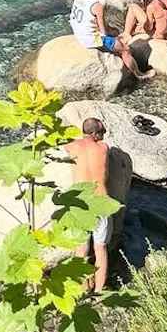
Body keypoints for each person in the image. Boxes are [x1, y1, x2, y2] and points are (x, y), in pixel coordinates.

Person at [70, 0, 152, 79]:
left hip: (77, 30)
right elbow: (103, 31)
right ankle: (140, 75)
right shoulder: (97, 5)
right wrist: (115, 39)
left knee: (116, 36)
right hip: (90, 39)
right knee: (125, 49)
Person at [66, 117, 112, 292]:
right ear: (94, 134)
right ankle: (99, 291)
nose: (103, 136)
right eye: (102, 132)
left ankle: (82, 288)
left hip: (80, 203)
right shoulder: (103, 148)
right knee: (100, 248)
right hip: (100, 201)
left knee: (81, 248)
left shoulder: (72, 147)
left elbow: (66, 147)